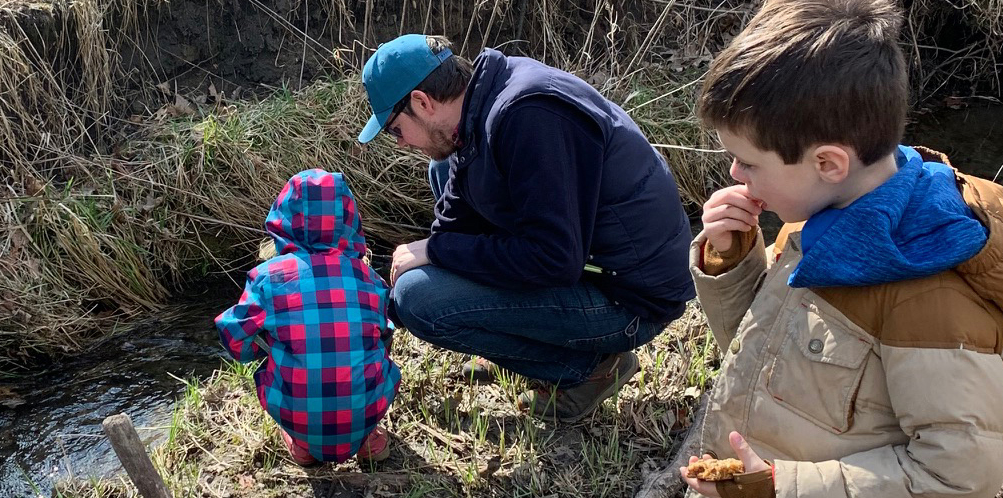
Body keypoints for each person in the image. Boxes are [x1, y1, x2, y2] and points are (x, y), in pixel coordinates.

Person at [680, 0, 1003, 496]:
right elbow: (765, 351)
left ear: (828, 163)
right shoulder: (821, 221)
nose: (734, 174)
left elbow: (959, 476)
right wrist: (730, 258)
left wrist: (779, 487)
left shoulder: (930, 299)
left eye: (748, 162)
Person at [356, 34, 695, 421]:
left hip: (632, 299)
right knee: (441, 168)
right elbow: (456, 222)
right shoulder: (481, 101)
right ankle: (523, 345)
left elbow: (553, 260)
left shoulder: (529, 117)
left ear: (422, 102)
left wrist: (433, 253)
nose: (399, 143)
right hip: (588, 261)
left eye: (395, 130)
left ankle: (589, 370)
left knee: (420, 299)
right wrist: (381, 305)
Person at [215, 169, 400, 466]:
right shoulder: (369, 277)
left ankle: (302, 445)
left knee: (273, 352)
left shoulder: (267, 277)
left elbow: (233, 336)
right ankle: (367, 439)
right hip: (365, 408)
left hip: (299, 414)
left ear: (283, 219)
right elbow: (383, 331)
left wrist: (262, 347)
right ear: (349, 219)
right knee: (375, 345)